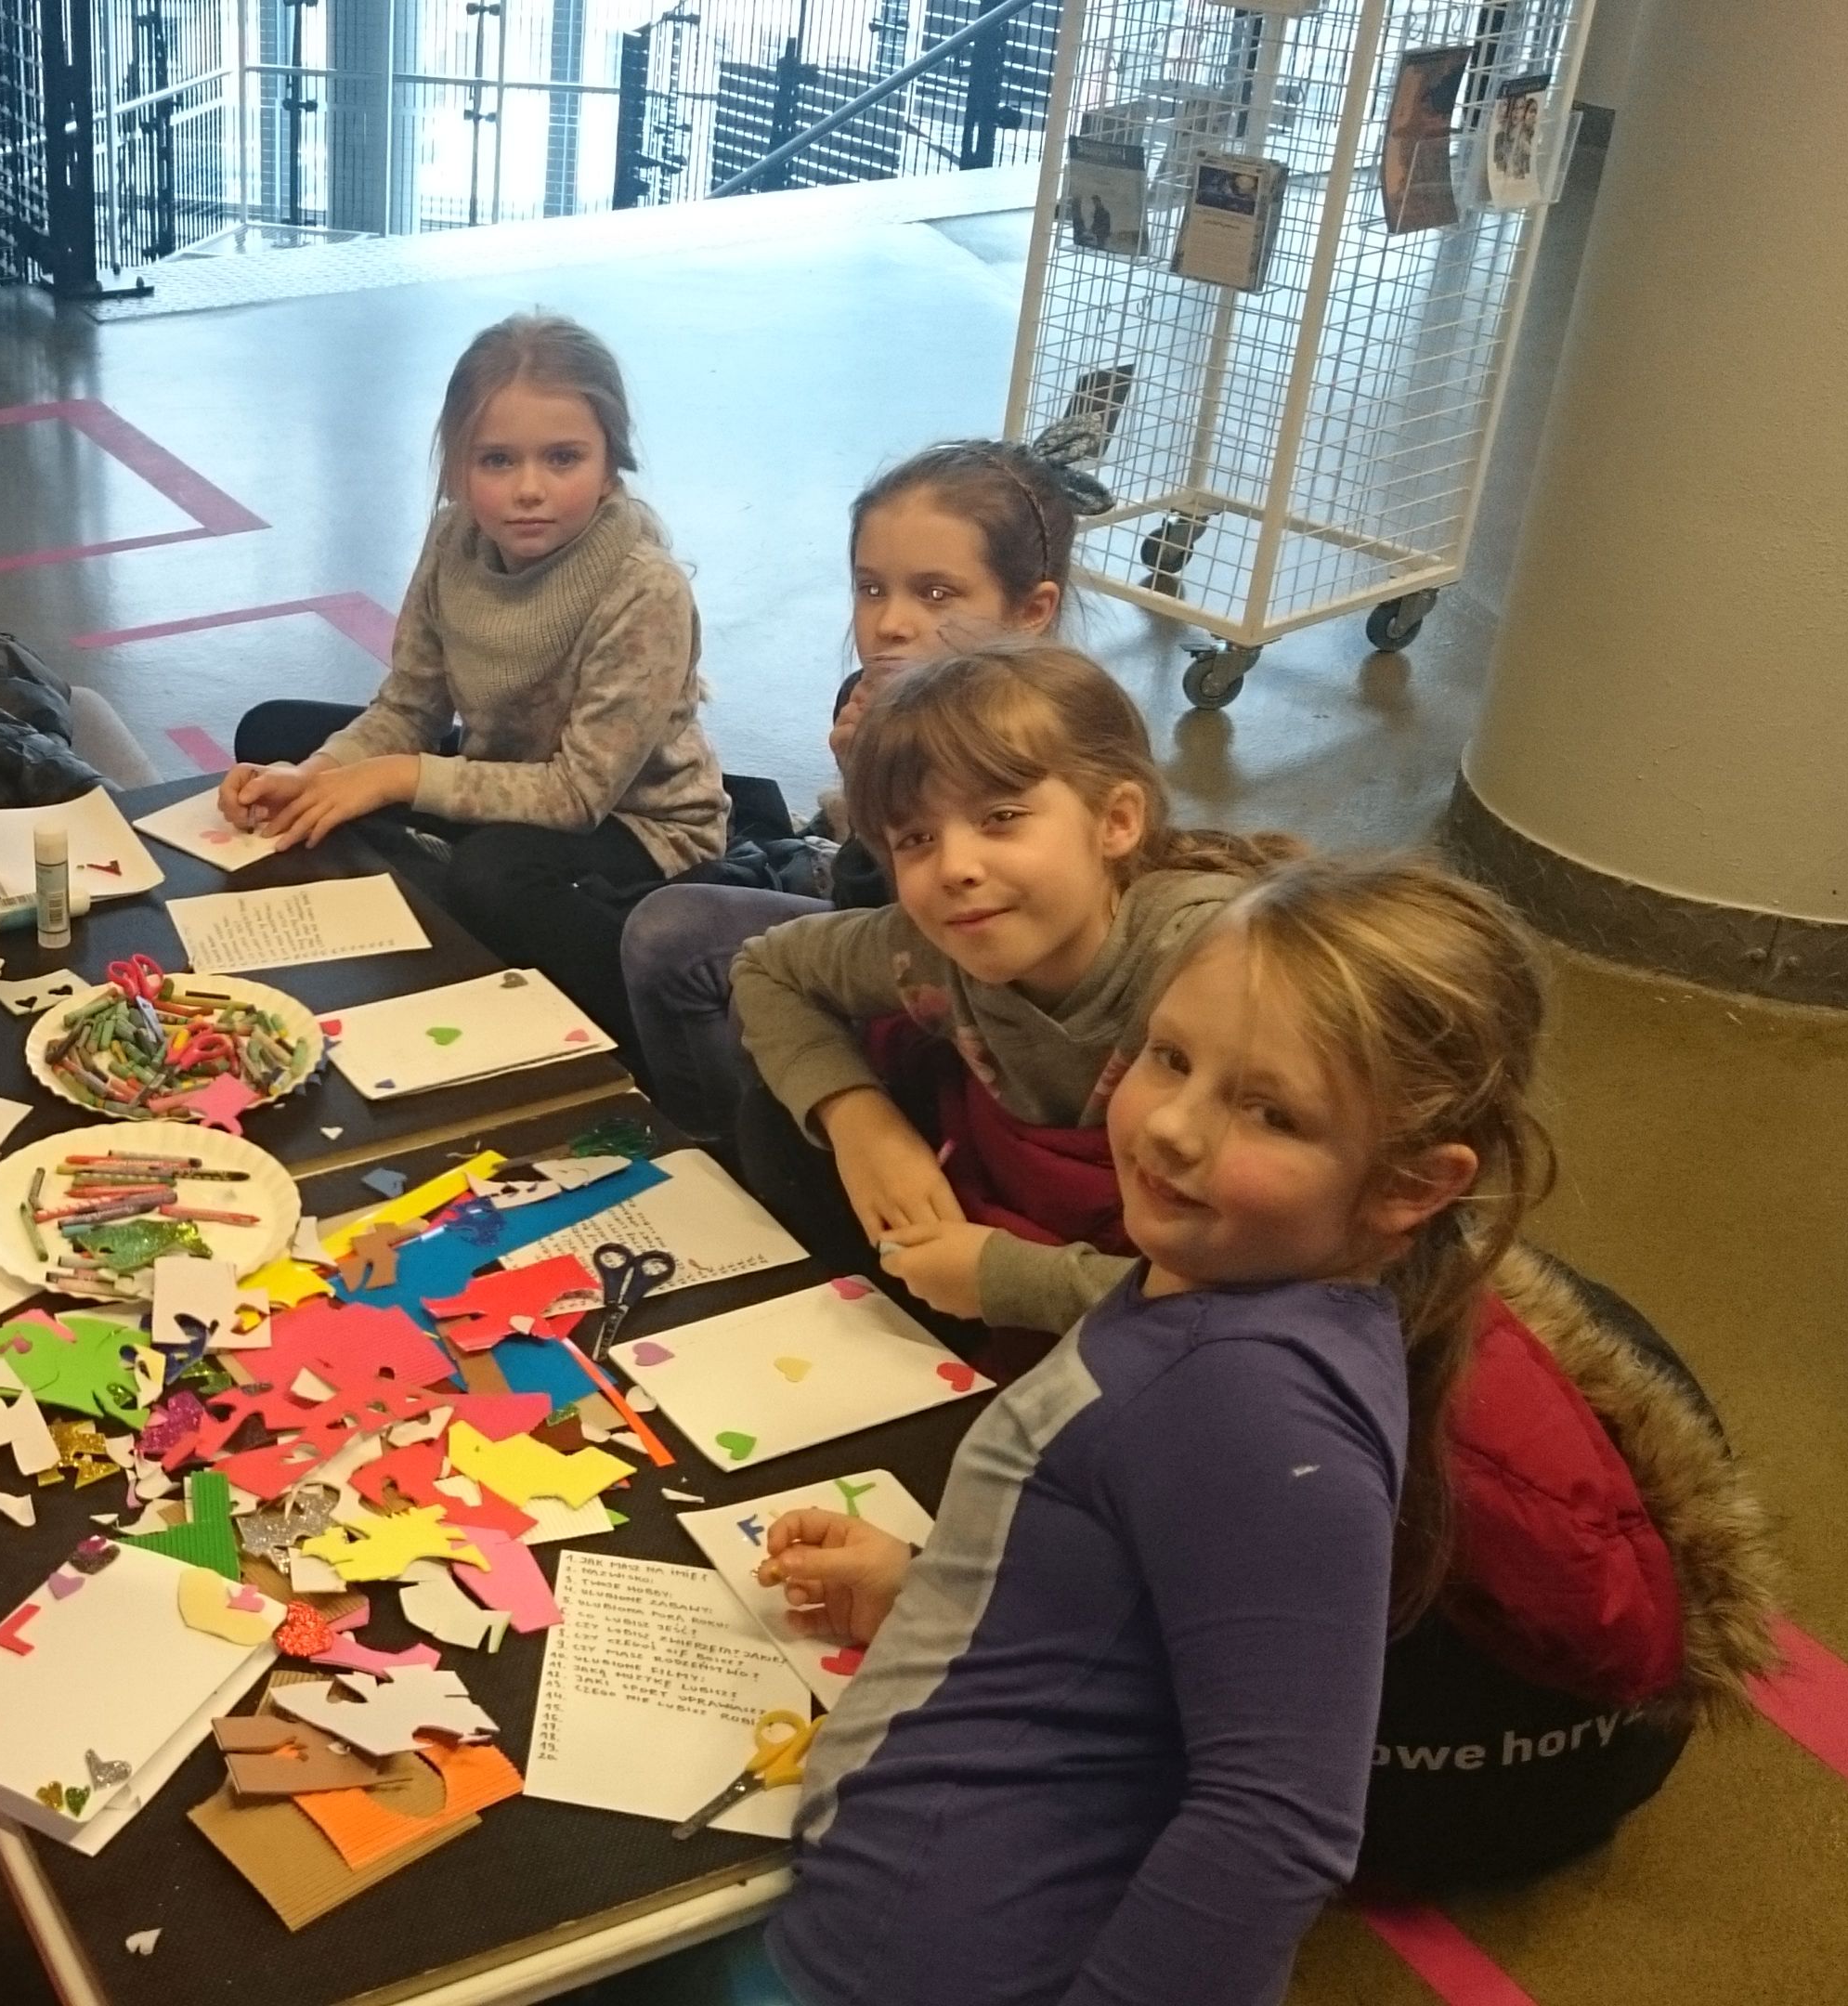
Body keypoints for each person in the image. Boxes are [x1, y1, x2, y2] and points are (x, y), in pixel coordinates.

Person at [753, 855, 1546, 2004]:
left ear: (1411, 1186)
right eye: (1171, 1057)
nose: (1172, 1127)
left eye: (1269, 1112)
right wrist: (935, 1591)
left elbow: (1275, 1825)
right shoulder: (1227, 1293)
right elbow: (1151, 1611)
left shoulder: (1248, 1401)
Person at [724, 637, 1297, 1344]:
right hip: (1030, 1247)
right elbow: (767, 968)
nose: (955, 867)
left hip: (1190, 1330)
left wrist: (1014, 1281)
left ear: (1117, 820)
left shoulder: (1221, 970)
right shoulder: (931, 945)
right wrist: (860, 1122)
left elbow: (1286, 1303)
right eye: (915, 839)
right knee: (777, 1121)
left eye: (1001, 817)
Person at [217, 313, 723, 1046]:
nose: (529, 489)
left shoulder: (645, 590)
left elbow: (579, 794)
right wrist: (315, 774)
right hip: (505, 776)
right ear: (458, 467)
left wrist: (393, 779)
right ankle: (441, 903)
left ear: (612, 462)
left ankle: (638, 1030)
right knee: (273, 733)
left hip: (636, 824)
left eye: (563, 458)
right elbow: (409, 707)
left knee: (491, 874)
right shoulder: (454, 538)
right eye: (496, 461)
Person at [620, 440, 1075, 1145]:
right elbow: (857, 906)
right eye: (871, 589)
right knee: (666, 931)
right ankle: (711, 1154)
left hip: (984, 989)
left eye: (936, 594)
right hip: (884, 929)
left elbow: (929, 935)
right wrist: (865, 797)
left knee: (776, 1033)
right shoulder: (877, 698)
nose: (890, 623)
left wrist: (876, 793)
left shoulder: (1049, 746)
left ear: (1030, 612)